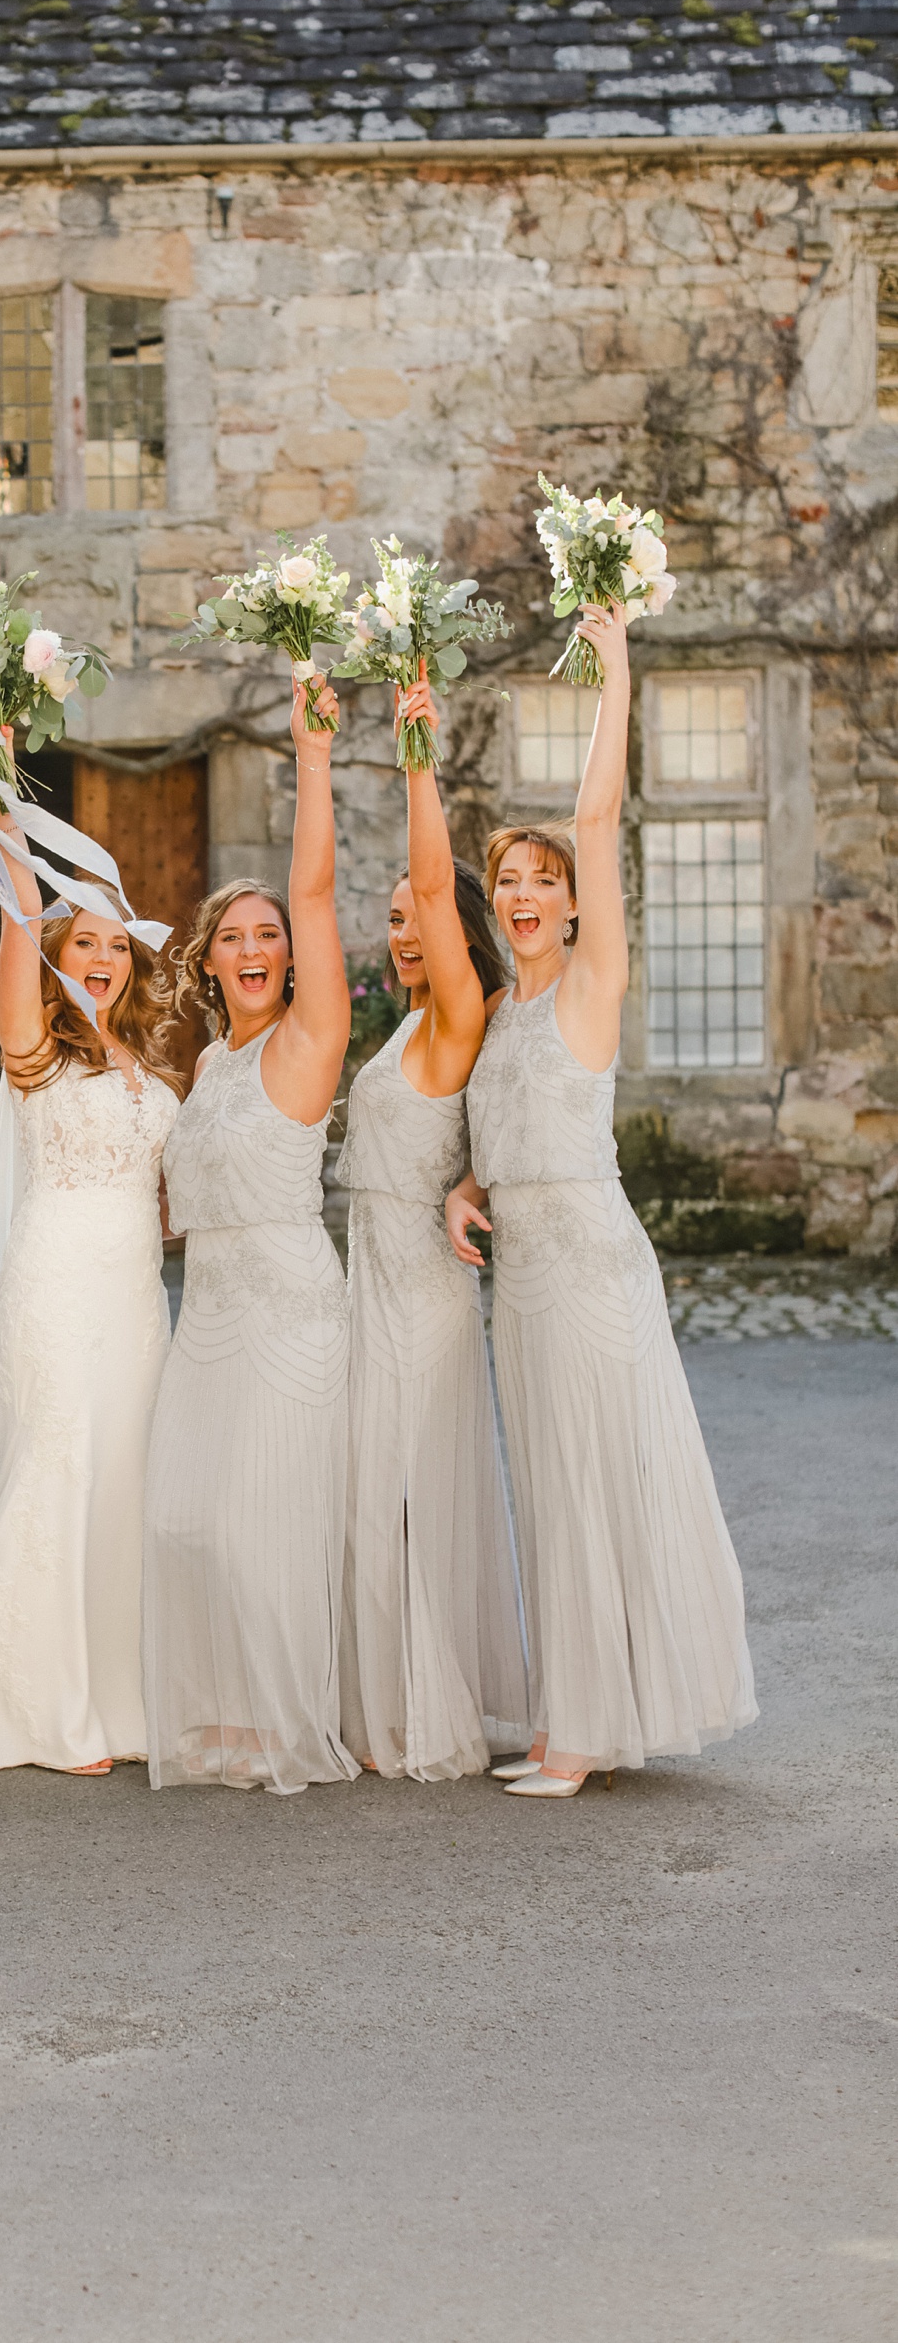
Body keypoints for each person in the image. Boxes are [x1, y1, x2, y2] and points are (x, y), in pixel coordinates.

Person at [447, 601, 758, 1796]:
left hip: (585, 1267)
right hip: (521, 1273)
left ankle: (580, 1736)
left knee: (591, 1485)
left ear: (574, 904)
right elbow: (509, 1122)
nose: (523, 892)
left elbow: (595, 813)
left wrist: (613, 666)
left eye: (542, 880)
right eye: (507, 880)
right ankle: (573, 1708)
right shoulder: (506, 1014)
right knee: (551, 1492)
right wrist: (465, 1186)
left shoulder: (586, 983)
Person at [141, 672, 357, 1792]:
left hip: (286, 1304)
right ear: (210, 960)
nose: (258, 945)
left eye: (269, 933)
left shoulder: (305, 1042)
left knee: (264, 1518)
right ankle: (223, 1708)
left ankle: (282, 1715)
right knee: (183, 1515)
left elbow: (315, 896)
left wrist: (308, 754)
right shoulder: (213, 1062)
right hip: (208, 1313)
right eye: (236, 936)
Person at [0, 731, 182, 1777]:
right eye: (80, 943)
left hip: (135, 1293)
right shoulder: (34, 1046)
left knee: (122, 1478)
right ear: (55, 954)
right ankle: (38, 1710)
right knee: (59, 1463)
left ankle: (117, 1698)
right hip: (55, 1281)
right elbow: (16, 929)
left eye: (112, 946)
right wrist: (0, 794)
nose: (99, 959)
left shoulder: (141, 1058)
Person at [338, 676, 530, 1782]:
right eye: (395, 917)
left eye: (414, 913)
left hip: (417, 1282)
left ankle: (417, 1709)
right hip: (373, 1268)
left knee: (400, 1488)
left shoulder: (457, 1009)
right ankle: (385, 1698)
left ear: (452, 925)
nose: (398, 925)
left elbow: (425, 864)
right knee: (377, 1491)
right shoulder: (412, 1018)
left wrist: (416, 745)